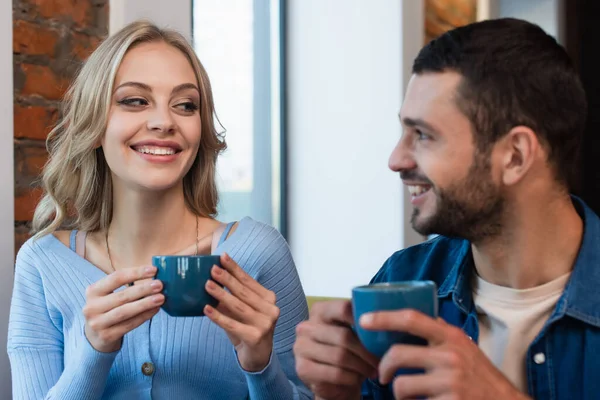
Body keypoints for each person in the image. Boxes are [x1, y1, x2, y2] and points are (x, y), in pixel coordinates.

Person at [294, 17, 599, 400]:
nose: (396, 159)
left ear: (515, 156)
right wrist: (334, 394)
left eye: (423, 135)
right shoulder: (403, 277)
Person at [8, 20, 311, 400]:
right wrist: (93, 350)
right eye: (135, 100)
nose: (164, 122)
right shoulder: (42, 264)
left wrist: (260, 365)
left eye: (185, 105)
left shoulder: (258, 252)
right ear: (95, 122)